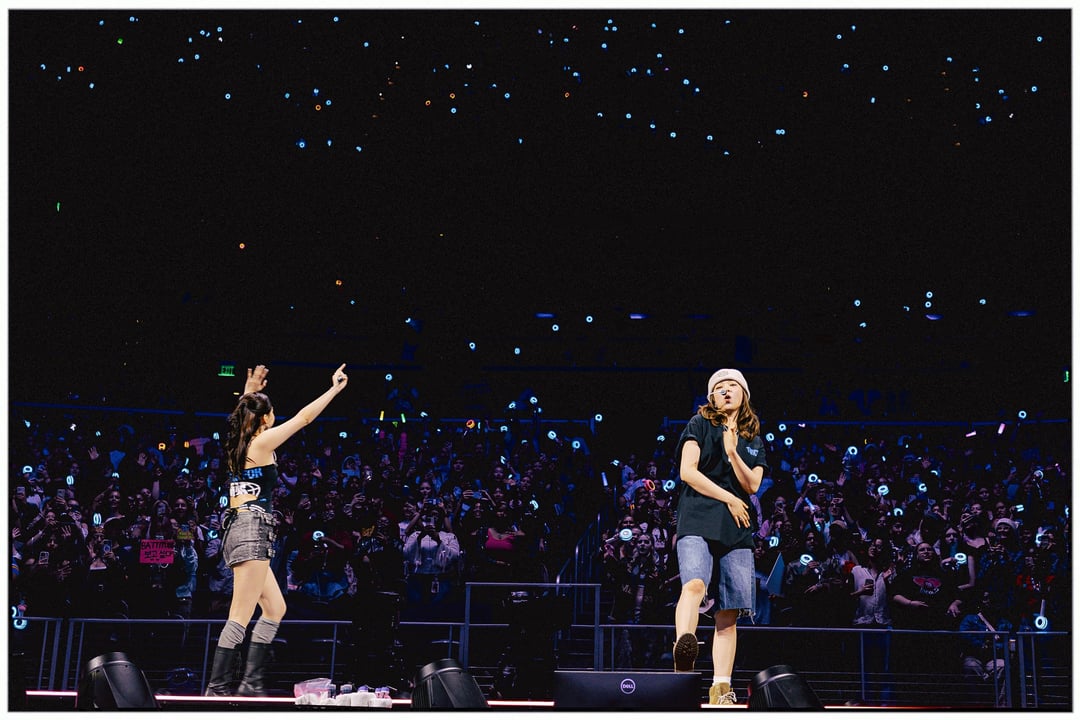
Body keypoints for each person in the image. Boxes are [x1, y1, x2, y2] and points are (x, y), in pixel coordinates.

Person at [204, 363, 349, 696]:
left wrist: (249, 391)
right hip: (251, 529)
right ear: (266, 419)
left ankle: (250, 683)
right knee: (240, 614)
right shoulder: (261, 443)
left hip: (241, 529)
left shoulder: (236, 443)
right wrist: (334, 389)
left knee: (275, 608)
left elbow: (241, 415)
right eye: (271, 413)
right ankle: (218, 687)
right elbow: (304, 418)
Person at [672, 369, 767, 706]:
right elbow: (687, 472)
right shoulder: (699, 424)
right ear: (711, 397)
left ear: (744, 395)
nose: (726, 391)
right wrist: (728, 498)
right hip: (698, 515)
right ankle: (684, 651)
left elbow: (752, 485)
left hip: (737, 527)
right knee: (694, 585)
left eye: (733, 386)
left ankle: (721, 689)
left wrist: (732, 452)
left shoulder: (753, 440)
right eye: (719, 388)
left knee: (730, 612)